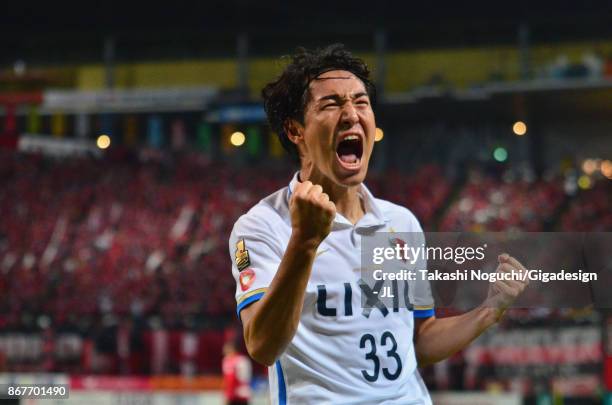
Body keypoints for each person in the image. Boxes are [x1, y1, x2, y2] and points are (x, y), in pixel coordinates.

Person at [228, 44, 528, 404]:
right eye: (332, 104)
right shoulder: (263, 226)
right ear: (296, 131)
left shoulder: (398, 221)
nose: (352, 114)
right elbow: (262, 345)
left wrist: (488, 310)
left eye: (361, 102)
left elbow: (419, 340)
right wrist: (305, 242)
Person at [222, 340, 252, 405]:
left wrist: (228, 396)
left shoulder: (229, 360)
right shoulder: (244, 359)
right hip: (245, 394)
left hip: (235, 396)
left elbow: (231, 380)